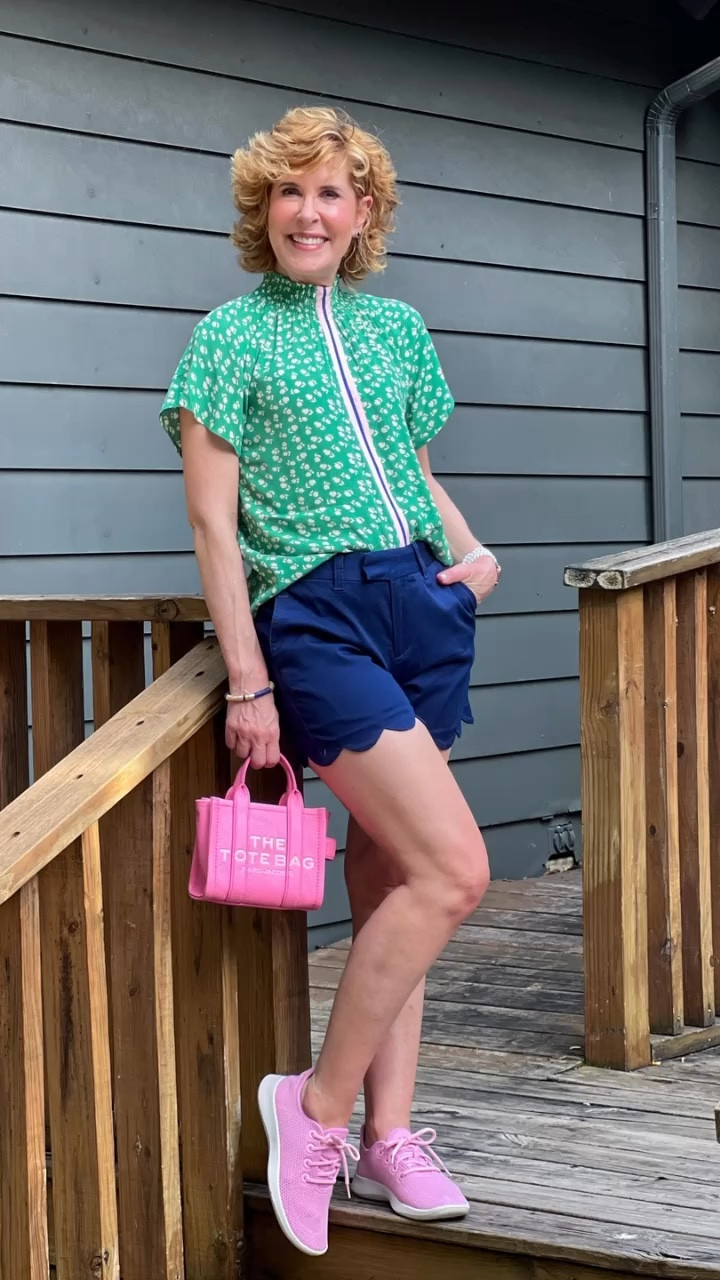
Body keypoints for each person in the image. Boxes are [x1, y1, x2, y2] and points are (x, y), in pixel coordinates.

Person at [160, 106, 497, 1258]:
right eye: (291, 192)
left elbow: (413, 462)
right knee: (458, 867)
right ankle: (312, 1111)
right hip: (315, 613)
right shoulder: (228, 339)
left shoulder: (396, 329)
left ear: (364, 214)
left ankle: (392, 1133)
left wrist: (469, 548)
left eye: (334, 193)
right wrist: (248, 682)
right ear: (264, 209)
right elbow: (212, 523)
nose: (312, 211)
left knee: (401, 869)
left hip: (421, 603)